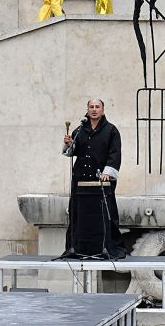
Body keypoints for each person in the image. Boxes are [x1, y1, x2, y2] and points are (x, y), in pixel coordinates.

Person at [61, 99, 125, 259]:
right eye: (91, 107)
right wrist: (68, 144)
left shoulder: (111, 130)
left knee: (103, 214)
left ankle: (105, 247)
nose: (94, 110)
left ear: (103, 110)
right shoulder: (80, 129)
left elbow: (115, 153)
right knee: (79, 213)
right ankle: (79, 248)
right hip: (81, 180)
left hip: (101, 181)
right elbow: (71, 152)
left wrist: (107, 172)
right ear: (87, 110)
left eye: (97, 107)